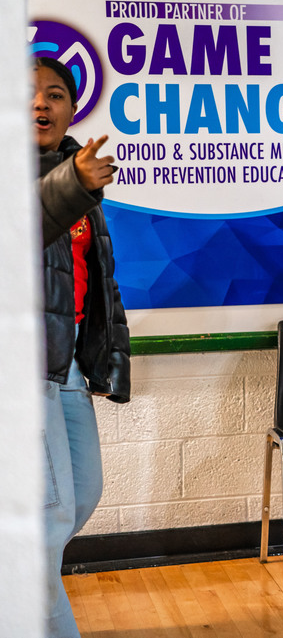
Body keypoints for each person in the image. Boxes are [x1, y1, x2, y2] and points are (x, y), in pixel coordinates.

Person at [34, 55, 131, 638]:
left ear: (73, 108)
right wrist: (72, 183)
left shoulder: (75, 173)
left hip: (64, 363)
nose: (41, 103)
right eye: (27, 94)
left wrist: (106, 355)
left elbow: (97, 280)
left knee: (82, 494)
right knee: (46, 523)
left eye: (54, 94)